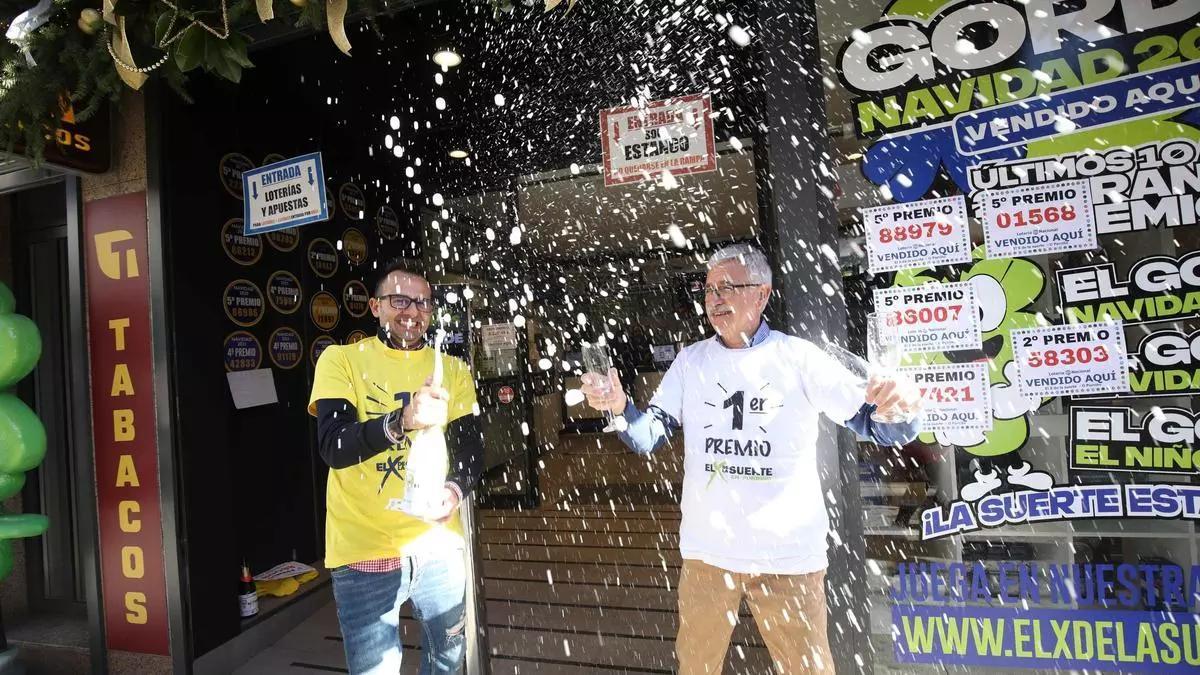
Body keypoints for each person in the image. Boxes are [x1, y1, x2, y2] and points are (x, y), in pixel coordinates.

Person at [581, 243, 922, 674]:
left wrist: (903, 408)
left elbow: (880, 426)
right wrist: (618, 406)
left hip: (787, 558)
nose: (714, 299)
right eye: (707, 290)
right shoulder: (691, 362)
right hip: (708, 555)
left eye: (727, 287)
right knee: (696, 668)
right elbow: (648, 435)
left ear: (762, 294)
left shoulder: (797, 357)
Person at [308, 259, 482, 675]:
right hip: (365, 549)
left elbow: (472, 447)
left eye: (423, 302)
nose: (412, 310)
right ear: (375, 306)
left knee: (447, 661)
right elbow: (335, 446)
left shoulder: (453, 368)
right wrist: (401, 420)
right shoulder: (340, 360)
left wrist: (454, 490)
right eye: (399, 299)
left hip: (438, 546)